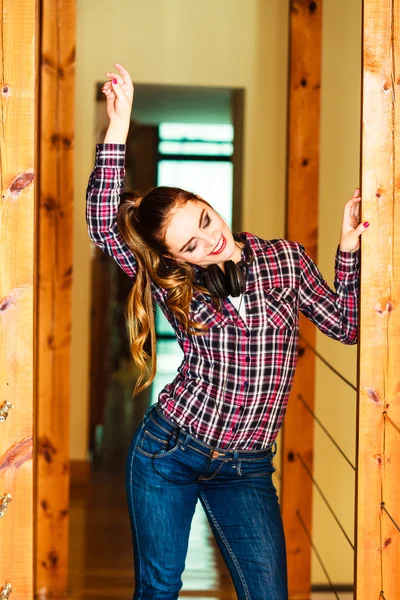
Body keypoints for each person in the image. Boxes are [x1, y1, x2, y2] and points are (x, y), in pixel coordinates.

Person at [85, 62, 368, 600]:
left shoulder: (284, 261)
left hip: (248, 467)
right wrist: (117, 127)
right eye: (188, 245)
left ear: (209, 205)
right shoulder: (173, 283)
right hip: (170, 451)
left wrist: (348, 251)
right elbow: (103, 224)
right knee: (159, 588)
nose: (208, 242)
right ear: (173, 258)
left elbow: (347, 324)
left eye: (204, 220)